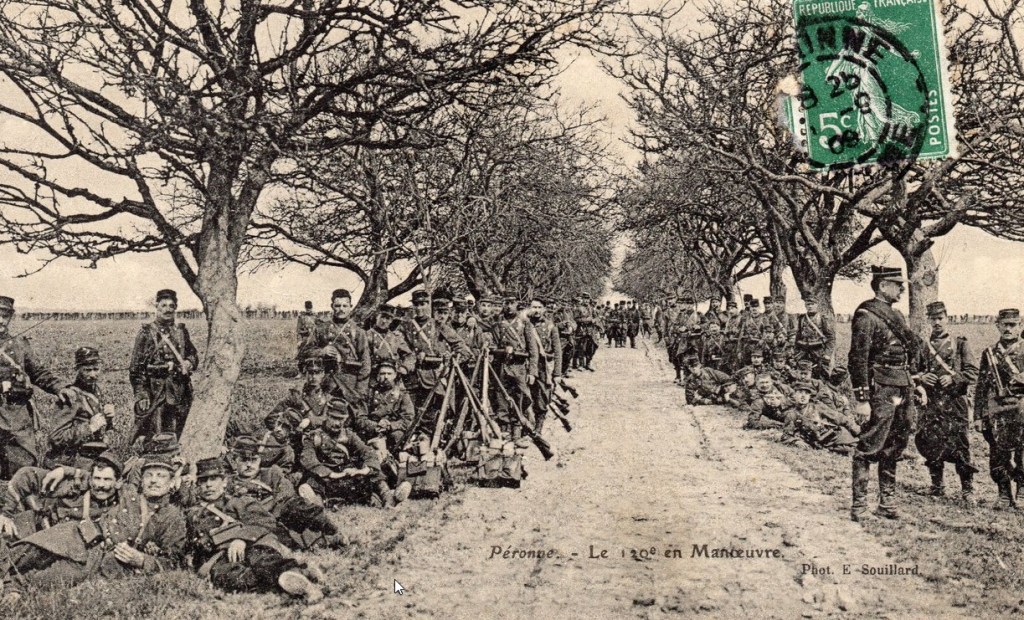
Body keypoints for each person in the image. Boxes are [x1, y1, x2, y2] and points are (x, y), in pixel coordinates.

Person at [0, 453, 186, 604]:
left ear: (171, 483)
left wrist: (142, 560)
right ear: (141, 480)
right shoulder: (127, 491)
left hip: (96, 562)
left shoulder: (172, 518)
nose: (153, 481)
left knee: (47, 579)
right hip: (79, 535)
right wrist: (66, 470)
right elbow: (96, 479)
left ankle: (13, 587)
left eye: (161, 476)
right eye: (149, 475)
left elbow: (175, 562)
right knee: (31, 549)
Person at [185, 457, 323, 602]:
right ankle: (294, 577)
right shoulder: (193, 513)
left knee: (264, 561)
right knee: (232, 578)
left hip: (251, 545)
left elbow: (264, 520)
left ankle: (297, 577)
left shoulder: (238, 501)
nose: (208, 485)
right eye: (203, 481)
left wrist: (241, 539)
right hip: (221, 556)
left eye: (213, 479)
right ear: (197, 484)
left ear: (224, 481)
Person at [848, 266, 923, 521]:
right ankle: (859, 506)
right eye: (897, 284)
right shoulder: (866, 315)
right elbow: (858, 359)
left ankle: (887, 503)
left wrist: (914, 381)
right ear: (882, 286)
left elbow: (907, 354)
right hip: (880, 388)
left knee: (895, 444)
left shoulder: (897, 315)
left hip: (902, 386)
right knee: (869, 445)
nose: (902, 289)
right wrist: (862, 400)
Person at [226, 436, 347, 550]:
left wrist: (278, 507)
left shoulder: (271, 473)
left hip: (282, 511)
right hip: (261, 522)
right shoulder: (228, 483)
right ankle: (322, 541)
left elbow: (287, 493)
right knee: (286, 541)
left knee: (300, 508)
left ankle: (333, 531)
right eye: (243, 460)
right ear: (235, 460)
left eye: (253, 460)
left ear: (259, 460)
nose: (249, 465)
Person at [913, 301, 979, 505]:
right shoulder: (923, 345)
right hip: (931, 402)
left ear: (947, 318)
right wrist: (923, 377)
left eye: (940, 318)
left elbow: (973, 372)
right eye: (933, 319)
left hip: (954, 401)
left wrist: (954, 378)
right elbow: (913, 371)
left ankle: (967, 489)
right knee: (931, 442)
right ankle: (937, 485)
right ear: (928, 320)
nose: (937, 322)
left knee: (960, 444)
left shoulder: (960, 344)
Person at [129, 289, 199, 441]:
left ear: (175, 308)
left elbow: (193, 354)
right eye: (164, 305)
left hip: (180, 390)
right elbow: (136, 370)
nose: (168, 309)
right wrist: (141, 395)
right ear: (157, 307)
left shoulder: (181, 332)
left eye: (171, 306)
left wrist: (189, 362)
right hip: (155, 392)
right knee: (154, 435)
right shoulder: (146, 333)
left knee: (181, 433)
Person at [974, 308, 1024, 509]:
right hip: (997, 410)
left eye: (1013, 325)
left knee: (1022, 453)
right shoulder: (989, 353)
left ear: (1020, 326)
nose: (1008, 329)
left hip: (1021, 408)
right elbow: (981, 386)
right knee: (997, 453)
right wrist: (978, 416)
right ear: (998, 326)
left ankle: (1022, 491)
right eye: (1005, 325)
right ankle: (1003, 493)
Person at [45, 347, 114, 468]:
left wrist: (109, 419)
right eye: (87, 370)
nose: (92, 375)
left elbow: (101, 426)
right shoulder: (71, 396)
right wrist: (90, 428)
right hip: (70, 461)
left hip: (93, 454)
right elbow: (56, 438)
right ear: (77, 369)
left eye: (96, 369)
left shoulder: (96, 390)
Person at [300, 288, 371, 399]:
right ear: (332, 306)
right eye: (337, 306)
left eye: (345, 306)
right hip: (325, 382)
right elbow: (304, 352)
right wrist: (322, 351)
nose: (341, 309)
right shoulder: (321, 329)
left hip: (350, 384)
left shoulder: (358, 332)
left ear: (350, 307)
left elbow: (366, 363)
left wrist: (360, 390)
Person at [782, 381, 859, 454]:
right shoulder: (792, 414)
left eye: (806, 393)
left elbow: (837, 417)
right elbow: (786, 436)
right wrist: (796, 442)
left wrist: (855, 429)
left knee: (856, 447)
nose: (803, 396)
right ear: (795, 395)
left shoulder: (817, 406)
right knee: (846, 450)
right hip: (821, 444)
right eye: (800, 392)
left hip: (836, 436)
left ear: (809, 396)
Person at [792, 296, 836, 380]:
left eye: (812, 304)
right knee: (803, 374)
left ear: (817, 305)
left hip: (818, 351)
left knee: (820, 375)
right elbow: (798, 336)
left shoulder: (823, 318)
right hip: (804, 351)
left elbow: (831, 337)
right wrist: (796, 351)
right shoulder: (802, 318)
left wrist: (827, 353)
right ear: (805, 305)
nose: (810, 306)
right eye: (808, 304)